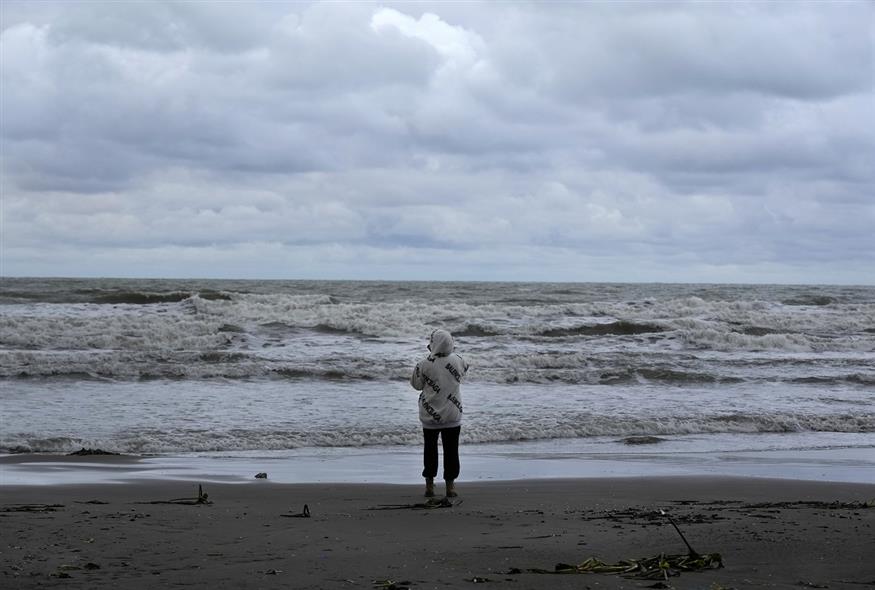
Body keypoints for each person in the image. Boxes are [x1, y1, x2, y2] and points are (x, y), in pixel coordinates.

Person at [410, 329, 469, 498]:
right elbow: (464, 372)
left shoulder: (423, 364)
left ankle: (429, 486)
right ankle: (450, 487)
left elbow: (416, 385)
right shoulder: (459, 360)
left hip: (430, 415)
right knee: (451, 451)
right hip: (452, 414)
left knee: (430, 450)